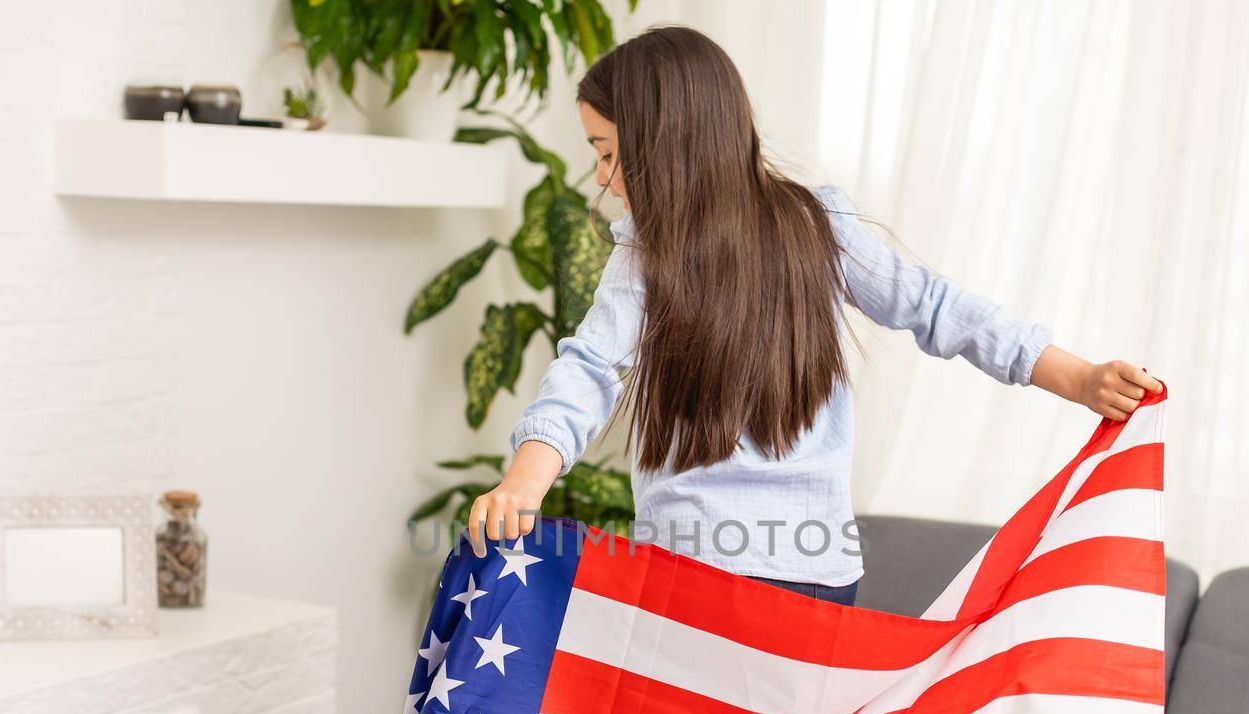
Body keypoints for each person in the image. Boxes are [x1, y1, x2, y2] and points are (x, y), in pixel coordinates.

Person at [467, 24, 1162, 607]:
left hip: (702, 575)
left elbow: (588, 367)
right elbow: (935, 305)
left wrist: (526, 479)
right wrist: (1076, 376)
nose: (602, 180)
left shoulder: (677, 251)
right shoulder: (805, 225)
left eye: (610, 155)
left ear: (667, 147)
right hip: (813, 569)